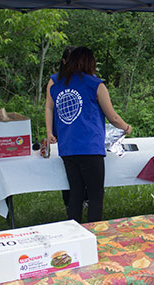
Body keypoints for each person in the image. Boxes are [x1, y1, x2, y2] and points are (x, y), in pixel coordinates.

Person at [47, 47, 131, 223]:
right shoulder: (96, 84)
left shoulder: (57, 86)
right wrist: (127, 127)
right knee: (95, 196)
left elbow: (51, 110)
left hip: (67, 148)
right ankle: (95, 233)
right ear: (90, 63)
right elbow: (113, 117)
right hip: (90, 147)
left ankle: (74, 233)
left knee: (75, 194)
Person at [45, 46, 77, 209]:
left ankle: (82, 201)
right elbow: (49, 107)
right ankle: (69, 203)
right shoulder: (55, 80)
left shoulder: (88, 79)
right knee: (67, 172)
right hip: (62, 133)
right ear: (64, 61)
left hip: (81, 135)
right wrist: (49, 132)